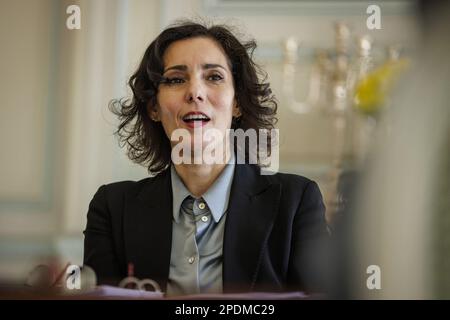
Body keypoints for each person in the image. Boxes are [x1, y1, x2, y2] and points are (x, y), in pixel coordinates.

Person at [83, 20, 330, 297]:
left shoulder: (296, 202)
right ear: (153, 106)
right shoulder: (112, 209)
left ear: (237, 102)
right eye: (176, 79)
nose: (195, 92)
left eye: (214, 77)